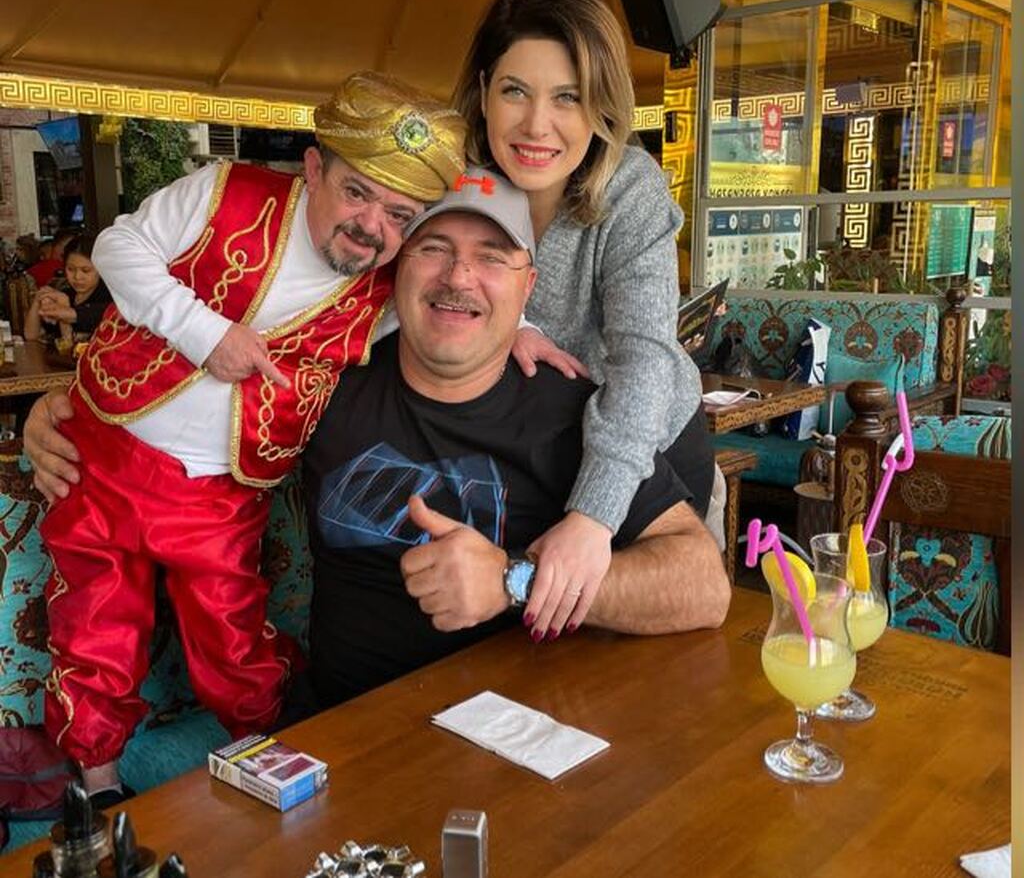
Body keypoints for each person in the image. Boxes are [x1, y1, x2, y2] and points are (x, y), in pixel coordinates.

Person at [26, 170, 732, 713]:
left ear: (528, 287)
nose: (459, 277)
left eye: (491, 257)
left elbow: (703, 586)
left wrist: (512, 581)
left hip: (524, 737)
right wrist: (60, 415)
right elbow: (184, 408)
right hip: (345, 734)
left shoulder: (568, 411)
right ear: (395, 272)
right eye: (434, 248)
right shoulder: (324, 385)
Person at [30, 72, 467, 802]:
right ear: (314, 168)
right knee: (93, 622)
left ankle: (274, 761)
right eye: (356, 193)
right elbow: (118, 247)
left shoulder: (386, 288)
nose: (372, 226)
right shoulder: (224, 192)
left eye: (399, 214)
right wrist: (204, 333)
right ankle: (98, 785)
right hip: (103, 455)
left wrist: (523, 329)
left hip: (223, 494)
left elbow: (452, 304)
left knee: (233, 641)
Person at [452, 0, 712, 641]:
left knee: (645, 649)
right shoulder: (457, 181)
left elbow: (643, 358)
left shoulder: (630, 188)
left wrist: (593, 518)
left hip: (647, 443)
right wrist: (514, 325)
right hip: (537, 441)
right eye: (515, 91)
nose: (537, 125)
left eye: (568, 97)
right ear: (483, 90)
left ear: (601, 106)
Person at [24, 233, 112, 345]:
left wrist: (64, 308)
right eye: (71, 269)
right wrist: (39, 298)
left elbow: (69, 345)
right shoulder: (64, 293)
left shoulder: (109, 299)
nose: (77, 277)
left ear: (100, 269)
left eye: (85, 270)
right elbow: (31, 335)